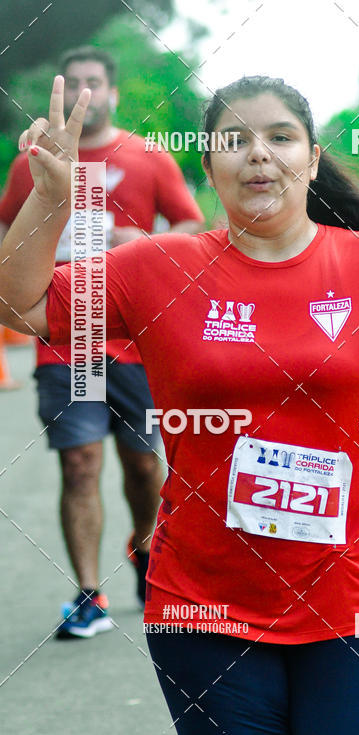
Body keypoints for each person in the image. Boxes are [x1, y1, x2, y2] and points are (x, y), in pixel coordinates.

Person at [0, 74, 359, 731]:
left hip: (357, 605)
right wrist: (50, 200)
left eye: (281, 137)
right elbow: (21, 306)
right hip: (203, 609)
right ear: (209, 167)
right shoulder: (155, 268)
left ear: (312, 159)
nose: (258, 153)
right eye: (234, 141)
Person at [0, 48, 204, 638]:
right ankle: (89, 593)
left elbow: (190, 223)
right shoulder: (34, 160)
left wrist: (141, 240)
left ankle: (145, 547)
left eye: (94, 82)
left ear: (111, 92)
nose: (83, 91)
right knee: (80, 461)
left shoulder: (147, 156)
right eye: (73, 82)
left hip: (135, 340)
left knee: (142, 464)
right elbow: (7, 226)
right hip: (63, 338)